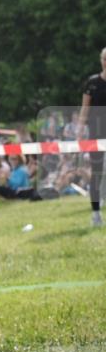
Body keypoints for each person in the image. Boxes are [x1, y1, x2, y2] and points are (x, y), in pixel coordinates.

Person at [78, 46, 106, 227]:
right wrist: (80, 130)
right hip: (96, 133)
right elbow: (85, 108)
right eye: (104, 59)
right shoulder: (92, 82)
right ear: (101, 61)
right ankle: (96, 213)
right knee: (96, 172)